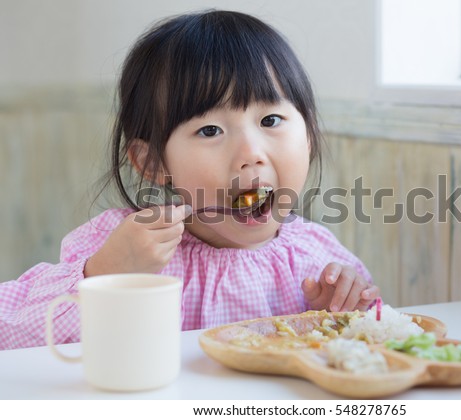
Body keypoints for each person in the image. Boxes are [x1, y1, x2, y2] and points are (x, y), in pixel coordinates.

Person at [0, 10, 378, 350]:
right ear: (152, 162)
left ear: (308, 136)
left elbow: (381, 341)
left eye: (270, 121)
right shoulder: (125, 245)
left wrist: (338, 314)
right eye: (211, 130)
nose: (250, 152)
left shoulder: (319, 256)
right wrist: (106, 274)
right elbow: (11, 332)